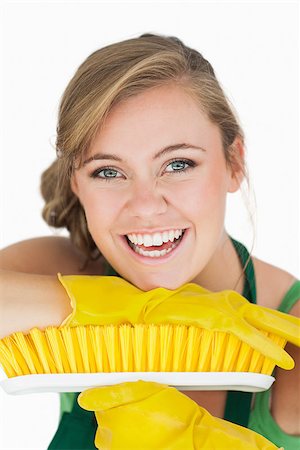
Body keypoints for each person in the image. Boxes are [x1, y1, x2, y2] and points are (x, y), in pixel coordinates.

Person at [0, 33, 299, 449]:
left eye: (178, 164)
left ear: (234, 164)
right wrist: (136, 311)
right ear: (76, 183)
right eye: (107, 171)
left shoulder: (292, 338)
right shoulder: (65, 267)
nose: (144, 205)